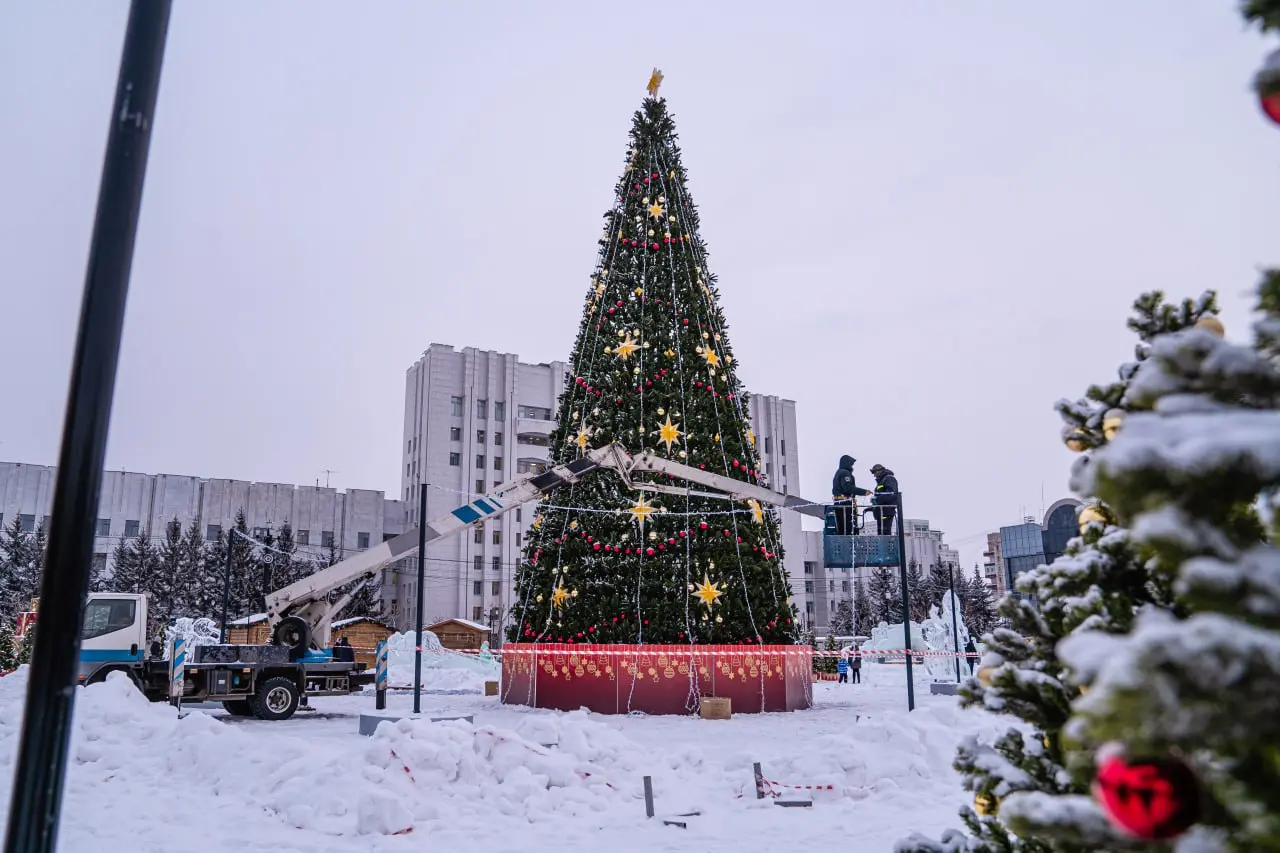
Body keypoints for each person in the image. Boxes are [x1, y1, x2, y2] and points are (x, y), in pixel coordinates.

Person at [831, 455, 871, 536]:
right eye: (851, 464)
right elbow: (848, 488)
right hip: (845, 504)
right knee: (849, 529)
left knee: (842, 530)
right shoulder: (845, 473)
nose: (852, 466)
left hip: (838, 503)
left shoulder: (838, 473)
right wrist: (864, 492)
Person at [870, 463, 899, 535]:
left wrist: (876, 500)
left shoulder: (889, 479)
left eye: (874, 472)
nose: (874, 475)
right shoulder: (882, 481)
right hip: (881, 511)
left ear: (880, 471)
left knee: (884, 533)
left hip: (886, 511)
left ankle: (886, 546)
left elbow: (891, 494)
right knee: (881, 533)